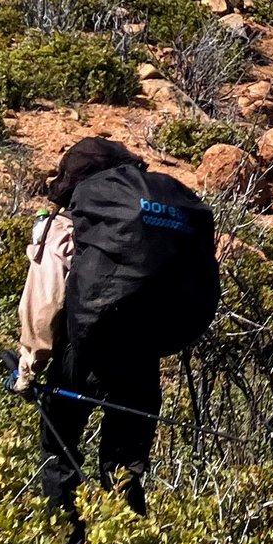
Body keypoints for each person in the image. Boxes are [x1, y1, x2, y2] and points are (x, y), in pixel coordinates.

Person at [14, 136, 163, 519]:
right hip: (141, 356)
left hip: (78, 355)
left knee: (60, 452)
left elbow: (44, 305)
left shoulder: (62, 228)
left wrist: (29, 369)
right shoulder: (149, 222)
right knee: (124, 465)